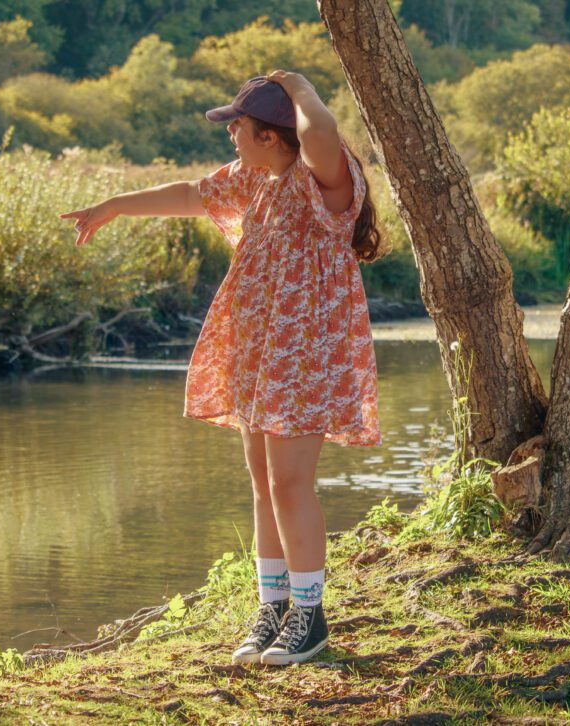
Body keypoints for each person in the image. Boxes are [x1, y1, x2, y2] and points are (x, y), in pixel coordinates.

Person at [59, 70, 386, 666]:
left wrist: (303, 91)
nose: (230, 134)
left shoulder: (326, 182)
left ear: (272, 135)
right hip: (259, 350)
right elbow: (188, 194)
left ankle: (310, 619)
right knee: (263, 483)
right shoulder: (254, 180)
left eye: (237, 125)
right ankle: (273, 607)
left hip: (304, 356)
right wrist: (111, 207)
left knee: (290, 484)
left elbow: (323, 135)